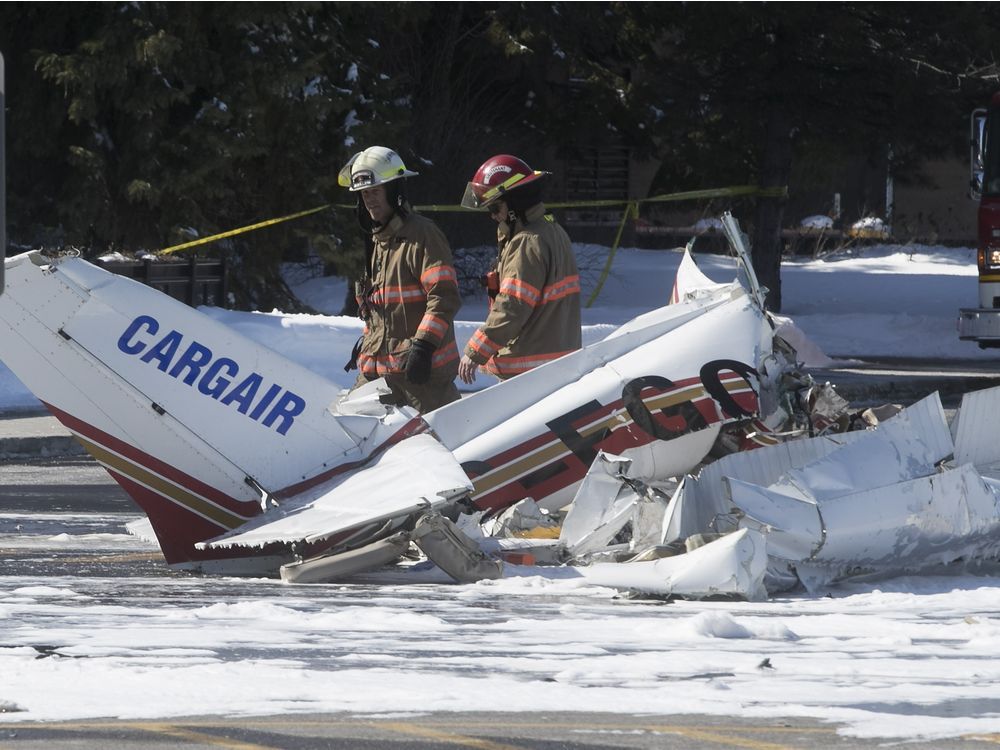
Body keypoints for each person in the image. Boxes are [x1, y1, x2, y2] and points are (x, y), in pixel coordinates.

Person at [339, 146, 461, 412]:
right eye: (364, 193)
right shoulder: (376, 242)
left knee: (436, 438)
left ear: (394, 191)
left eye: (375, 191)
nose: (369, 200)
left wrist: (423, 347)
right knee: (345, 423)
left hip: (422, 380)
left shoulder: (422, 234)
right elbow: (377, 314)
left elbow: (444, 297)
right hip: (379, 378)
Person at [457, 154, 581, 383]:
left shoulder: (526, 242)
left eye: (495, 207)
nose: (493, 216)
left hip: (529, 371)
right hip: (555, 364)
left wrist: (476, 350)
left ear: (516, 202)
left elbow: (512, 305)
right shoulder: (552, 230)